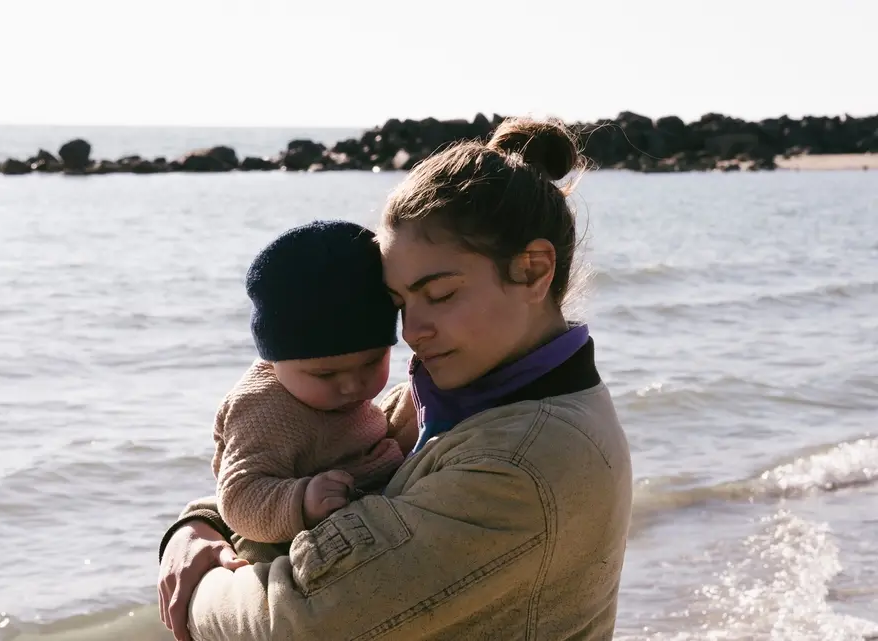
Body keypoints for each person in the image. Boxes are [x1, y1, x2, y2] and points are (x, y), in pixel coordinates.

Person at [157, 116, 634, 641]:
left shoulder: (519, 461)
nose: (414, 331)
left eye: (441, 294)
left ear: (533, 270)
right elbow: (304, 456)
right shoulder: (458, 398)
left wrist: (197, 576)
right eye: (401, 303)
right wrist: (197, 524)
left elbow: (292, 623)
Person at [210, 220, 416, 563]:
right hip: (289, 546)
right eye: (326, 374)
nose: (352, 386)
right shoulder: (264, 410)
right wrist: (302, 499)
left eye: (371, 363)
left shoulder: (323, 392)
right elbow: (237, 498)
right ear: (275, 361)